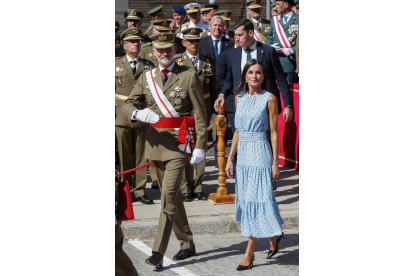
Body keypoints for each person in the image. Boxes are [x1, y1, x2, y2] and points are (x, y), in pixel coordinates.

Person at [122, 33, 207, 269]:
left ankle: (158, 251)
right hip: (155, 144)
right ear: (154, 52)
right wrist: (137, 113)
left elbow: (200, 114)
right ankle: (187, 243)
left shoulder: (188, 76)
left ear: (174, 49)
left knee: (167, 196)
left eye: (168, 49)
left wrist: (200, 145)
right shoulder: (146, 77)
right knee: (174, 198)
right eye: (159, 50)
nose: (164, 53)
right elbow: (129, 103)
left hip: (180, 146)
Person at [225, 59, 285, 271]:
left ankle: (249, 253)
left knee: (258, 198)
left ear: (263, 76)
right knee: (253, 198)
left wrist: (275, 162)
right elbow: (238, 131)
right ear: (245, 75)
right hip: (243, 156)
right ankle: (275, 234)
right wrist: (230, 158)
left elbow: (274, 133)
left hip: (260, 152)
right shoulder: (239, 97)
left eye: (258, 73)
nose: (254, 76)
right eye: (251, 72)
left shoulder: (269, 98)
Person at [214, 19, 293, 143]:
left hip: (264, 104)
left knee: (265, 141)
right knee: (239, 141)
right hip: (241, 103)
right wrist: (222, 94)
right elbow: (230, 79)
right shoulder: (233, 54)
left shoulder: (267, 51)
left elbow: (281, 79)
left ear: (251, 33)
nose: (236, 38)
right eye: (235, 35)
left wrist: (288, 105)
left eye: (240, 35)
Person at [175, 27, 218, 201]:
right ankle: (186, 186)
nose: (194, 44)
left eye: (197, 40)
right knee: (185, 146)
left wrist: (215, 110)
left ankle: (198, 185)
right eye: (190, 41)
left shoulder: (208, 62)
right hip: (184, 109)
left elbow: (214, 87)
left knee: (201, 145)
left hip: (204, 107)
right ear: (184, 43)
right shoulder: (177, 61)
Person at [116, 28, 157, 204]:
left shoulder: (149, 65)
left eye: (138, 41)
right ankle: (125, 190)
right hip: (120, 115)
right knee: (124, 156)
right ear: (124, 45)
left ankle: (140, 190)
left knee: (141, 154)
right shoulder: (114, 64)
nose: (135, 44)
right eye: (131, 41)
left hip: (142, 113)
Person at [267, 0, 299, 83]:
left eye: (278, 4)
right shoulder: (275, 19)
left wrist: (292, 50)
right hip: (276, 62)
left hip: (291, 63)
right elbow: (269, 36)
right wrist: (270, 47)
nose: (276, 6)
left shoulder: (298, 19)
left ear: (286, 4)